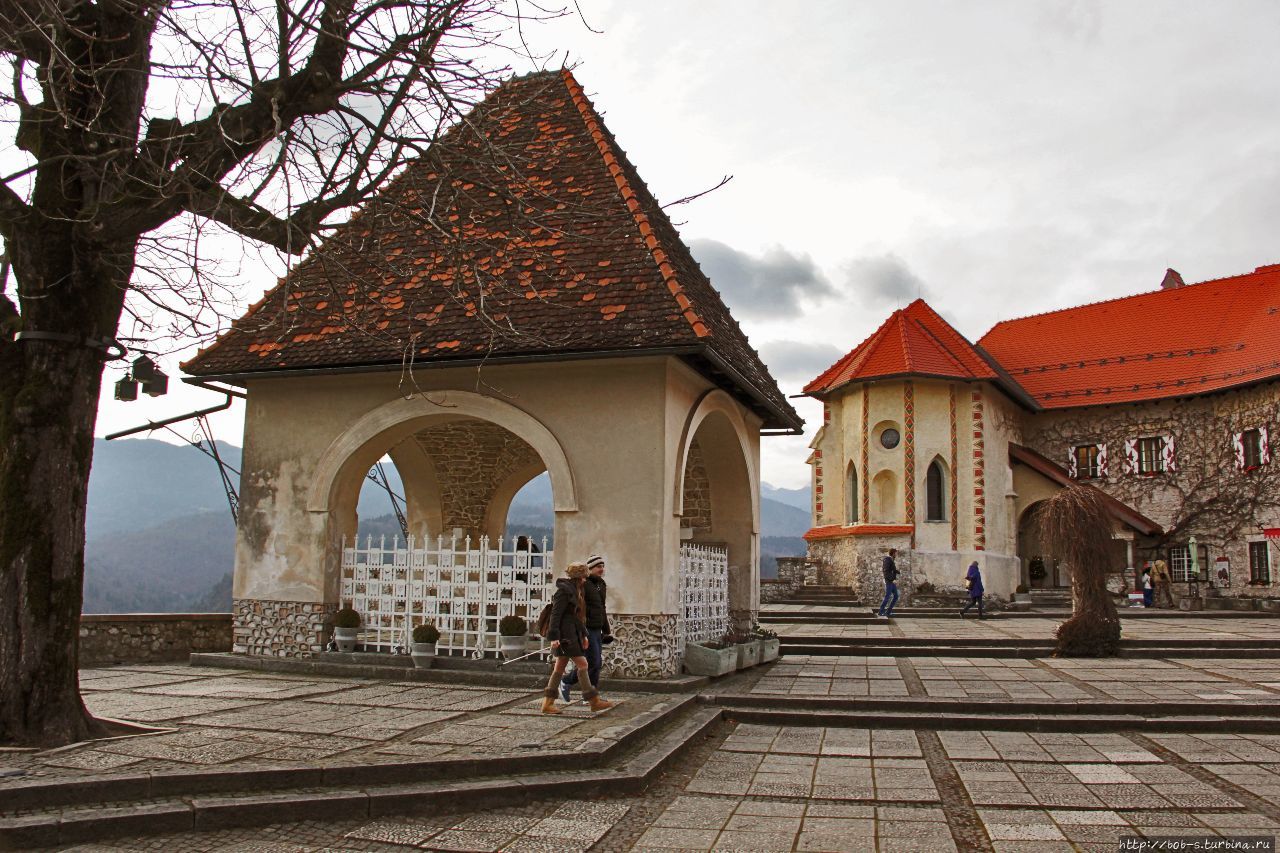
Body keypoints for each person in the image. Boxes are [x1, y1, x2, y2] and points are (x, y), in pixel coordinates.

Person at [541, 562, 613, 715]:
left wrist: (584, 634)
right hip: (565, 636)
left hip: (571, 633)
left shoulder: (575, 591)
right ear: (579, 577)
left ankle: (548, 703)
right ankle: (593, 701)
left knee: (559, 668)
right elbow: (556, 615)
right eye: (584, 577)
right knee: (583, 664)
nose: (585, 580)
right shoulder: (564, 592)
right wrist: (554, 637)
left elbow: (575, 617)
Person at [561, 553, 613, 701]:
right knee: (592, 662)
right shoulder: (584, 584)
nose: (601, 569)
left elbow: (601, 608)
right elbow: (579, 607)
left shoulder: (601, 585)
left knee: (594, 663)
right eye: (598, 567)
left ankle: (590, 694)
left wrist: (606, 629)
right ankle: (569, 682)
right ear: (590, 568)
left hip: (597, 628)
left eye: (602, 566)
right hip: (587, 628)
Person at [878, 548, 899, 618]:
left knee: (896, 596)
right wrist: (891, 579)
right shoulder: (887, 560)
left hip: (891, 582)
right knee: (887, 596)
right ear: (893, 553)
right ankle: (881, 612)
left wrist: (896, 571)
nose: (896, 554)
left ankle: (888, 612)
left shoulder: (891, 560)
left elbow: (891, 569)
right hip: (889, 582)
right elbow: (885, 571)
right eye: (896, 553)